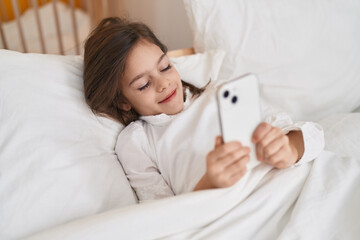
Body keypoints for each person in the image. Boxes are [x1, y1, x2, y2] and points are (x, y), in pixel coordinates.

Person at [83, 17, 324, 202]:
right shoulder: (136, 141)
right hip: (239, 211)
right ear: (122, 101)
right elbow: (159, 214)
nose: (164, 84)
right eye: (144, 84)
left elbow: (313, 135)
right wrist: (210, 183)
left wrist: (290, 147)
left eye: (165, 67)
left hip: (292, 186)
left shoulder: (220, 92)